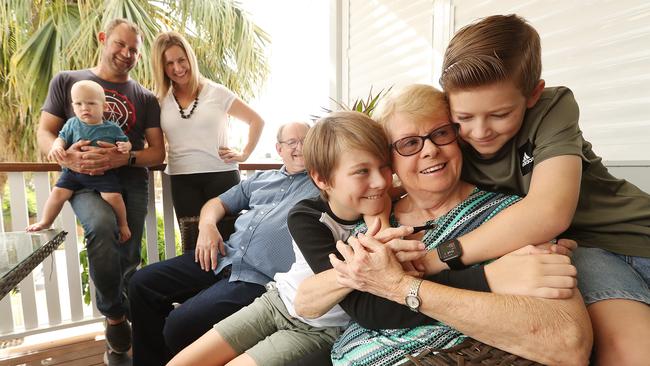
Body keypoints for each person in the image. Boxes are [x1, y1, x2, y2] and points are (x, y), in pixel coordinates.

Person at [295, 86, 592, 365]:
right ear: (390, 159)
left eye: (441, 134)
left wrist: (405, 287)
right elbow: (309, 303)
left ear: (458, 139)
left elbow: (569, 342)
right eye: (409, 143)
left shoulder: (512, 218)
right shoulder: (370, 220)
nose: (430, 150)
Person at [436, 14, 650, 364]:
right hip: (582, 252)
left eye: (500, 114)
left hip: (638, 227)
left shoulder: (554, 107)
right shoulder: (442, 138)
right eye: (464, 118)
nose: (480, 131)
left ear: (534, 93)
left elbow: (549, 211)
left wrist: (437, 258)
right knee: (632, 351)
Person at [168, 112, 397, 366]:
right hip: (275, 302)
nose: (380, 182)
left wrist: (381, 214)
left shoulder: (376, 207)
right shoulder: (306, 215)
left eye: (385, 167)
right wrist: (381, 216)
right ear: (321, 179)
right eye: (362, 171)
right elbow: (342, 271)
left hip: (319, 329)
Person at [128, 121, 319, 366]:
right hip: (221, 255)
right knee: (141, 283)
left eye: (306, 141)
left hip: (256, 277)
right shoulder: (261, 179)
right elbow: (217, 203)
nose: (300, 147)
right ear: (279, 148)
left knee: (180, 325)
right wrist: (207, 227)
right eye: (292, 142)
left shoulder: (322, 185)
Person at [36, 18, 164, 365]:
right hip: (82, 179)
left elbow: (157, 152)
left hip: (130, 181)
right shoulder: (68, 81)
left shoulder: (145, 96)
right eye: (120, 44)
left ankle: (129, 325)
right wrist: (65, 156)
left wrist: (124, 156)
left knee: (128, 251)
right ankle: (115, 318)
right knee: (100, 226)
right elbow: (46, 132)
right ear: (103, 38)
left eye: (134, 50)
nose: (126, 53)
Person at [151, 32, 264, 224]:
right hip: (182, 179)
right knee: (193, 245)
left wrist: (244, 154)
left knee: (229, 242)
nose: (177, 68)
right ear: (161, 67)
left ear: (190, 58)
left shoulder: (216, 92)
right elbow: (155, 141)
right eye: (169, 63)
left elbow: (256, 120)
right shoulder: (160, 100)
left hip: (222, 176)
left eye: (181, 60)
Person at [27, 80, 132, 242]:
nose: (84, 108)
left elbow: (126, 142)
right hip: (73, 173)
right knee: (57, 194)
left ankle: (123, 224)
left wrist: (125, 146)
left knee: (114, 197)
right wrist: (56, 147)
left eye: (91, 103)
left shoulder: (112, 128)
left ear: (105, 107)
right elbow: (60, 139)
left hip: (103, 173)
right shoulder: (72, 124)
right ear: (73, 106)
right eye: (78, 103)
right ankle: (46, 221)